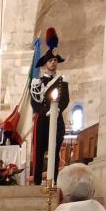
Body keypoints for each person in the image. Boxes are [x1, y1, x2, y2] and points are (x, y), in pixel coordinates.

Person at [30, 28, 70, 185]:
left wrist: (56, 110)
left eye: (55, 60)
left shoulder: (62, 82)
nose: (53, 63)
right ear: (45, 63)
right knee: (39, 151)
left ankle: (52, 182)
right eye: (50, 60)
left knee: (54, 150)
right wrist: (44, 112)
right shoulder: (37, 83)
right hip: (42, 120)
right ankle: (37, 182)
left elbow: (65, 99)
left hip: (57, 120)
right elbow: (34, 102)